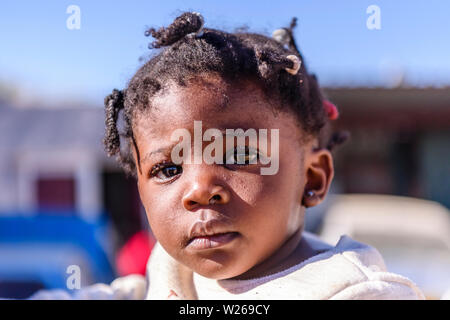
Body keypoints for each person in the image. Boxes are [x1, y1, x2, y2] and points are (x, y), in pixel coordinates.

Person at [30, 12, 424, 300]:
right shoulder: (169, 273)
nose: (199, 190)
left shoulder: (350, 290)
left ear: (313, 178)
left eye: (237, 154)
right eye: (168, 168)